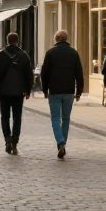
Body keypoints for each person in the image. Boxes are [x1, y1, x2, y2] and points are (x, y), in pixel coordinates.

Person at [39, 29, 84, 159]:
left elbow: (44, 73)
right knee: (66, 119)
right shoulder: (73, 53)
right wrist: (79, 91)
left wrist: (45, 89)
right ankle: (63, 142)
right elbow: (79, 74)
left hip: (55, 91)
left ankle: (60, 142)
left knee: (55, 118)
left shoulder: (50, 53)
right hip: (69, 91)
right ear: (66, 39)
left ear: (56, 39)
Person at [0, 32, 33, 154]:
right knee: (17, 117)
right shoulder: (24, 55)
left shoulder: (0, 55)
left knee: (5, 117)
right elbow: (29, 74)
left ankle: (7, 139)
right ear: (17, 41)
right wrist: (28, 90)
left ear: (7, 41)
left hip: (4, 91)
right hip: (19, 92)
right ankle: (15, 141)